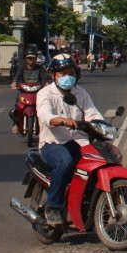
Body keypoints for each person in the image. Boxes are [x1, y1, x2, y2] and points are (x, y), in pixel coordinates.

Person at [36, 53, 103, 226]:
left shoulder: (80, 93)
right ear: (54, 75)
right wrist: (60, 120)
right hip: (53, 142)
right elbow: (45, 114)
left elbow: (92, 114)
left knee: (100, 161)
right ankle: (54, 206)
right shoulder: (45, 93)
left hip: (78, 142)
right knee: (65, 161)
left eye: (71, 72)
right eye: (62, 73)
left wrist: (103, 125)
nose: (68, 77)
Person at [10, 50, 49, 134]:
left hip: (37, 91)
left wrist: (45, 83)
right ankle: (15, 124)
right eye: (29, 58)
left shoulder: (40, 68)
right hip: (24, 90)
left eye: (32, 58)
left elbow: (43, 78)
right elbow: (17, 76)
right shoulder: (22, 67)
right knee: (17, 105)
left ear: (35, 59)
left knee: (44, 105)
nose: (31, 60)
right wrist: (14, 82)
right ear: (26, 59)